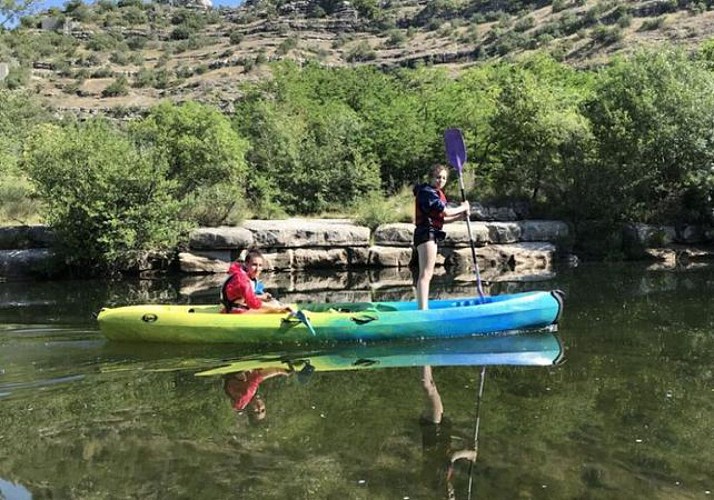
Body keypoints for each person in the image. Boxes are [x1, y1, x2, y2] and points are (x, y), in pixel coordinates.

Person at [413, 164, 470, 310]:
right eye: (438, 177)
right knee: (426, 274)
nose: (441, 180)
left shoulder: (433, 193)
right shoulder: (427, 192)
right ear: (431, 177)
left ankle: (423, 308)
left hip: (429, 233)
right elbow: (445, 212)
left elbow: (441, 219)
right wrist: (463, 207)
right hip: (426, 234)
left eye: (444, 178)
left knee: (427, 274)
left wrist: (460, 216)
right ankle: (423, 311)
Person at [420, 365, 478, 499]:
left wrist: (470, 454)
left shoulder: (435, 478)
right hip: (439, 428)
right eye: (452, 495)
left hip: (433, 427)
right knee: (431, 387)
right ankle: (426, 357)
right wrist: (466, 438)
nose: (448, 493)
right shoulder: (446, 477)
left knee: (429, 389)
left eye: (446, 497)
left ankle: (423, 356)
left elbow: (452, 456)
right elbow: (447, 438)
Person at [220, 248, 293, 314]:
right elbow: (254, 303)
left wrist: (261, 297)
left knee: (272, 303)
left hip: (233, 304)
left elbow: (243, 295)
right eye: (254, 265)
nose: (258, 269)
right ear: (246, 264)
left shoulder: (243, 274)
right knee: (276, 309)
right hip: (232, 310)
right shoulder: (242, 280)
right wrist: (279, 308)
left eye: (260, 265)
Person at [223, 368, 292, 423]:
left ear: (249, 410)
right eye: (263, 410)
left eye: (256, 412)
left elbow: (256, 377)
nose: (259, 408)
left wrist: (281, 370)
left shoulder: (246, 395)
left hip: (235, 371)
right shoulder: (243, 402)